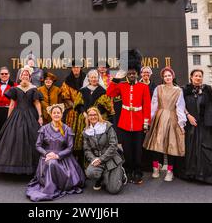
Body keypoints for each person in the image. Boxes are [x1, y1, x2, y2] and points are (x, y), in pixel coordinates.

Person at [107, 50, 151, 184]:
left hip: (138, 123)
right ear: (127, 74)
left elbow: (147, 106)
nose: (132, 75)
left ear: (137, 74)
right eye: (129, 73)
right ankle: (128, 171)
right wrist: (115, 78)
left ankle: (137, 172)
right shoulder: (121, 85)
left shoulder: (143, 87)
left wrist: (145, 122)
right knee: (127, 150)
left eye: (134, 73)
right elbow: (109, 92)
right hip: (125, 123)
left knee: (138, 150)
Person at [0, 66, 43, 175]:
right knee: (14, 138)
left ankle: (32, 166)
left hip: (30, 114)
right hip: (17, 114)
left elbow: (37, 103)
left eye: (27, 75)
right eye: (23, 74)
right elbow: (12, 104)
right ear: (20, 76)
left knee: (31, 138)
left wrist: (40, 116)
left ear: (30, 77)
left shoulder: (34, 88)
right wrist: (9, 118)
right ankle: (13, 165)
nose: (25, 76)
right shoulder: (15, 89)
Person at [26, 104, 85, 202]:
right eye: (54, 113)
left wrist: (58, 155)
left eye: (58, 113)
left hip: (63, 157)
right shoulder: (44, 128)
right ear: (50, 114)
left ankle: (55, 186)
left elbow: (70, 148)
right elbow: (38, 145)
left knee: (54, 163)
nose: (56, 114)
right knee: (51, 163)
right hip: (47, 157)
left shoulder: (67, 129)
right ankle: (50, 187)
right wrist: (46, 154)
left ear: (62, 114)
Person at [180, 69, 212, 184]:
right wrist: (188, 116)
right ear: (191, 77)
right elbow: (180, 105)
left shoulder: (207, 89)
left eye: (200, 76)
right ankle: (193, 174)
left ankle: (207, 176)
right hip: (191, 124)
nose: (198, 78)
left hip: (205, 124)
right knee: (192, 150)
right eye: (196, 76)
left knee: (208, 149)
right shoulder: (184, 89)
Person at [143, 67, 186, 182]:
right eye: (165, 76)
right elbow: (154, 105)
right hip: (160, 117)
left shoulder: (178, 90)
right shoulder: (158, 88)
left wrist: (181, 124)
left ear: (172, 76)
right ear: (163, 78)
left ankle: (170, 171)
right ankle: (155, 168)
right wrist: (149, 121)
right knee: (157, 145)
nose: (167, 77)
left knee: (171, 145)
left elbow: (180, 107)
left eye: (169, 75)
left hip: (172, 118)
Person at [73, 69, 114, 165]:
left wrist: (94, 114)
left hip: (98, 118)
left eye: (95, 77)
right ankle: (82, 166)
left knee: (97, 142)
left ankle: (98, 163)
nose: (94, 79)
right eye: (92, 77)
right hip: (84, 119)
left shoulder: (103, 91)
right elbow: (78, 104)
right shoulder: (82, 91)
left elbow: (105, 106)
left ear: (98, 78)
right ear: (88, 78)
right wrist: (84, 113)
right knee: (84, 142)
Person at [83, 107, 127, 194]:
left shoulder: (107, 126)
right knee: (90, 172)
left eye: (95, 114)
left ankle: (121, 173)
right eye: (90, 115)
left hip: (111, 158)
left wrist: (101, 159)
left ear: (98, 115)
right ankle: (101, 178)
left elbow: (113, 145)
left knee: (113, 190)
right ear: (88, 117)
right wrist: (93, 159)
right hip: (97, 160)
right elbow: (87, 149)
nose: (93, 117)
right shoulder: (86, 131)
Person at [0, 67, 17, 146]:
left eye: (6, 74)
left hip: (7, 110)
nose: (4, 75)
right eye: (2, 74)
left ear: (9, 75)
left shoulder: (14, 85)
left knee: (7, 132)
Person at [60, 61, 86, 128]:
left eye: (77, 67)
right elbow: (66, 98)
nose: (76, 69)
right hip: (72, 109)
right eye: (74, 67)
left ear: (80, 68)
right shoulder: (67, 81)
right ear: (71, 69)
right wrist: (76, 106)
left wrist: (83, 109)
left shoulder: (87, 80)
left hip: (85, 109)